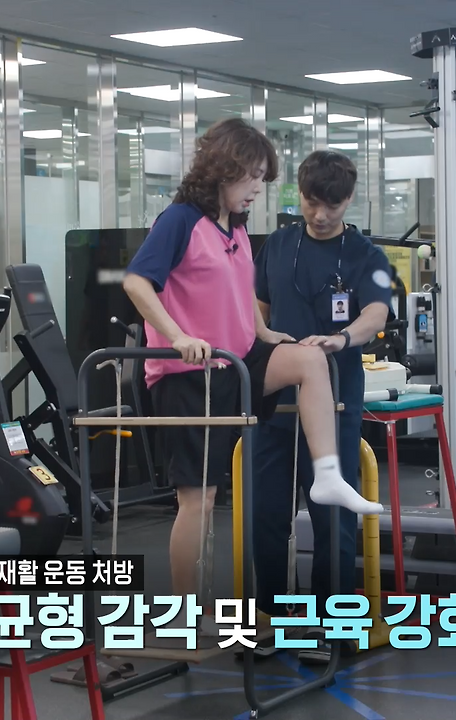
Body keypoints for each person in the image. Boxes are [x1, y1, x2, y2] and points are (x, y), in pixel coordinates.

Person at [122, 121, 382, 630]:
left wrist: (264, 333)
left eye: (263, 178)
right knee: (200, 501)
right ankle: (184, 613)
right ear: (226, 170)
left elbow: (243, 297)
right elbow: (136, 282)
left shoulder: (236, 227)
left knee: (309, 359)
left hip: (237, 362)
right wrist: (176, 335)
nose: (259, 189)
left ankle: (328, 478)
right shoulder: (180, 219)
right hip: (189, 373)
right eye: (254, 177)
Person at [252, 151, 391, 653]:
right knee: (266, 512)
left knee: (332, 516)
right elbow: (257, 305)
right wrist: (263, 335)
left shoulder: (367, 255)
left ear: (348, 199)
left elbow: (376, 313)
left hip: (334, 401)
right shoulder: (278, 244)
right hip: (273, 401)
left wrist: (341, 338)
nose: (320, 215)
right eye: (312, 203)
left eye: (331, 205)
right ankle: (271, 616)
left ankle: (334, 625)